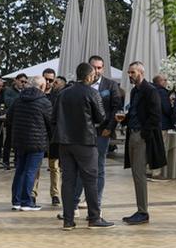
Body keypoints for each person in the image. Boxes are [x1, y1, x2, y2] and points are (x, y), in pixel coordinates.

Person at [54, 62, 111, 229]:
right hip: (85, 141)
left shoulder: (63, 93)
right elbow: (101, 117)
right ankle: (94, 217)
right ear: (89, 76)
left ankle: (68, 220)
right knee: (90, 180)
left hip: (65, 142)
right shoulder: (92, 93)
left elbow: (53, 116)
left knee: (68, 181)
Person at [122, 61, 165, 225]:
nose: (130, 75)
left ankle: (143, 212)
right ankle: (141, 210)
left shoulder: (150, 91)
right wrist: (124, 119)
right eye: (129, 72)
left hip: (141, 136)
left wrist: (144, 133)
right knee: (135, 173)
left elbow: (155, 116)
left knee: (139, 174)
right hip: (132, 133)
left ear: (141, 72)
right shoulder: (135, 91)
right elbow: (135, 112)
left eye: (132, 72)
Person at [8, 74, 52, 212]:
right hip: (37, 141)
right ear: (42, 86)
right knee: (30, 171)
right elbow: (51, 123)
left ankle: (16, 201)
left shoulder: (18, 99)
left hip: (20, 140)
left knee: (20, 170)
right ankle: (27, 202)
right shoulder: (44, 102)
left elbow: (9, 117)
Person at [43, 69, 65, 205]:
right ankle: (32, 194)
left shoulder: (58, 96)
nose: (48, 82)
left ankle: (55, 194)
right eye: (46, 79)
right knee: (35, 167)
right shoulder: (37, 93)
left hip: (53, 135)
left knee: (54, 166)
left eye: (51, 80)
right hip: (39, 134)